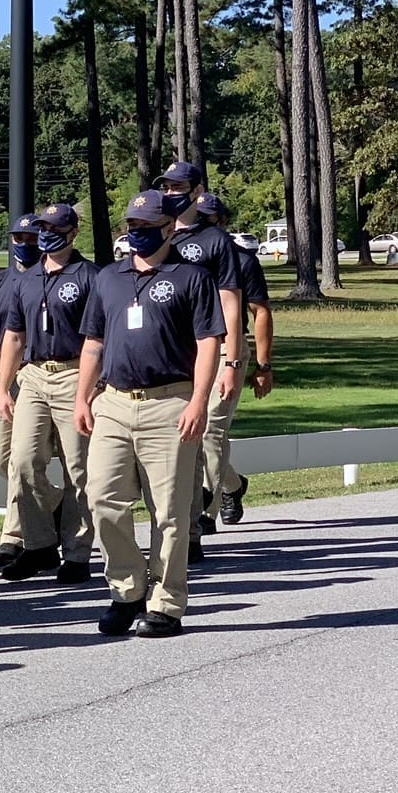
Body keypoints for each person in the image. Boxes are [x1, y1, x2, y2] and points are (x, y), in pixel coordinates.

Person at [75, 191, 225, 639]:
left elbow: (208, 343)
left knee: (170, 512)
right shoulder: (109, 278)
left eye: (144, 226)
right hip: (115, 403)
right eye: (131, 226)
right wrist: (84, 397)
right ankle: (126, 589)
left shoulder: (190, 277)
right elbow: (93, 343)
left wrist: (199, 400)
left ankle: (165, 602)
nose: (134, 233)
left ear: (167, 227)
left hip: (170, 402)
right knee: (102, 498)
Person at [0, 203, 99, 585]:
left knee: (79, 470)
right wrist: (5, 387)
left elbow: (96, 339)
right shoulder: (26, 279)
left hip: (74, 374)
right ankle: (38, 544)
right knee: (21, 461)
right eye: (42, 227)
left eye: (54, 228)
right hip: (34, 375)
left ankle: (77, 553)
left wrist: (89, 390)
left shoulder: (89, 276)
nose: (46, 234)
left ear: (72, 233)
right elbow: (14, 336)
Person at [154, 162, 246, 562]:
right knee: (181, 445)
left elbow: (230, 301)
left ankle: (193, 527)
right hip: (173, 355)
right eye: (167, 186)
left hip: (214, 349)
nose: (172, 191)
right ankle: (187, 527)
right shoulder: (154, 234)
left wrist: (232, 360)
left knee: (203, 436)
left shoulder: (215, 241)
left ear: (195, 191)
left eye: (179, 186)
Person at [201, 201, 275, 526]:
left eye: (209, 219)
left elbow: (260, 312)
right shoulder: (183, 259)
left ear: (223, 221)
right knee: (195, 433)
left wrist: (263, 366)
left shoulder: (242, 260)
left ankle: (203, 511)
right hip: (185, 352)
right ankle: (232, 484)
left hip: (225, 350)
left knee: (210, 430)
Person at [0, 215, 42, 568]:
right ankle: (52, 501)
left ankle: (13, 535)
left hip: (33, 375)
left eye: (30, 237)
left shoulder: (46, 279)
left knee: (22, 460)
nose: (23, 243)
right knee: (0, 457)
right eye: (18, 237)